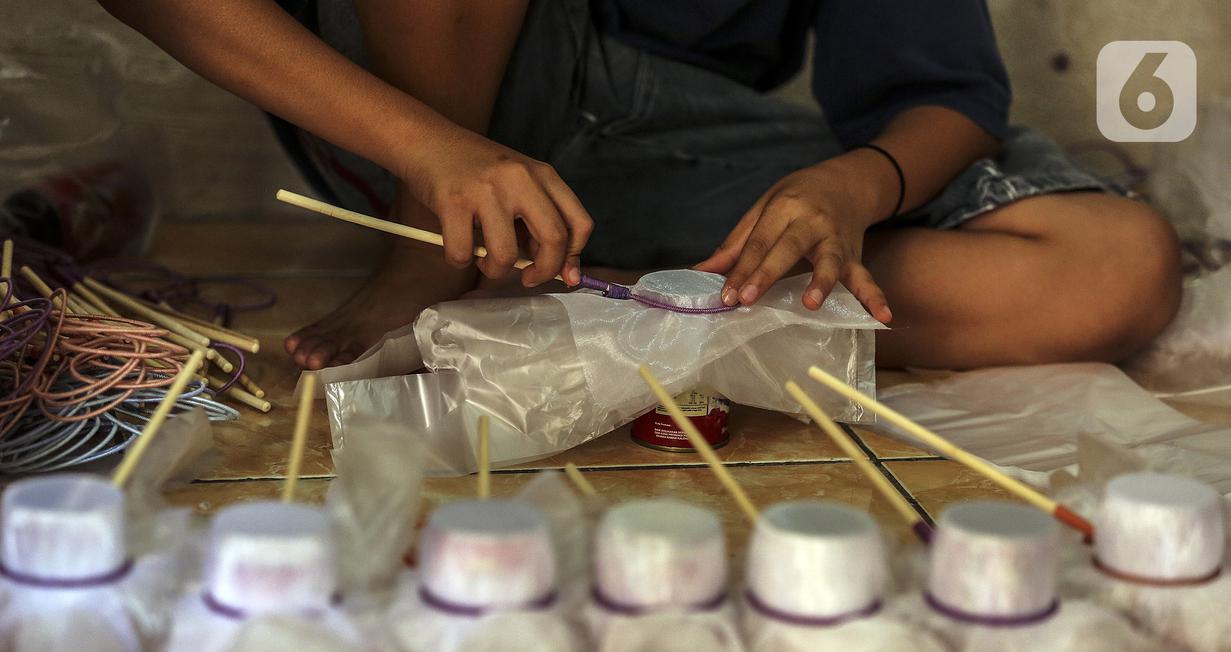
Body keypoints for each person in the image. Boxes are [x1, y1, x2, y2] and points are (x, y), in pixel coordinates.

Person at [98, 0, 1181, 371]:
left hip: (658, 133)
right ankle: (429, 253)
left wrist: (852, 186)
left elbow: (945, 96)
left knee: (1114, 269)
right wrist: (434, 155)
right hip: (409, 113)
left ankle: (605, 290)